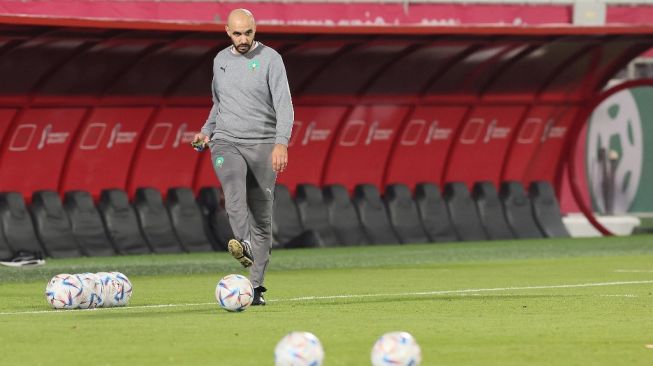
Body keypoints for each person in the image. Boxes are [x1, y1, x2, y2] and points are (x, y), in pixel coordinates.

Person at [193, 8, 294, 306]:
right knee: (233, 190)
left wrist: (281, 143)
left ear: (255, 29)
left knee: (262, 218)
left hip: (263, 144)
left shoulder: (271, 60)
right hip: (226, 142)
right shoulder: (220, 60)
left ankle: (256, 287)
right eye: (237, 33)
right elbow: (218, 104)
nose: (243, 39)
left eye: (247, 33)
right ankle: (244, 244)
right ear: (227, 31)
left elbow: (284, 106)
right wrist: (206, 132)